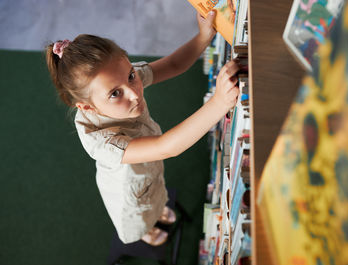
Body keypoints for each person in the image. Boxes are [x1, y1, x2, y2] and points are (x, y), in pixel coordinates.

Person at [45, 11, 240, 246]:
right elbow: (165, 147)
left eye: (131, 76)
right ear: (88, 107)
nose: (134, 92)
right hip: (130, 194)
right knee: (142, 217)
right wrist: (219, 103)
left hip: (148, 172)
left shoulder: (118, 77)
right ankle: (148, 232)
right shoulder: (100, 141)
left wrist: (202, 38)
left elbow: (174, 64)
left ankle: (158, 213)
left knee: (158, 194)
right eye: (115, 94)